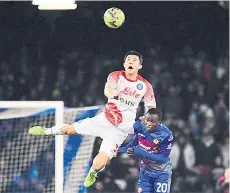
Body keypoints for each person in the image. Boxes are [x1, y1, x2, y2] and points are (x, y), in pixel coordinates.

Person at [28, 51, 156, 187]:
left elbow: (151, 106)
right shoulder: (115, 76)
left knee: (98, 163)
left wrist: (148, 116)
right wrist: (112, 94)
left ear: (140, 65)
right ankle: (46, 131)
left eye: (134, 60)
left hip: (119, 131)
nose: (131, 61)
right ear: (124, 64)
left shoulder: (145, 86)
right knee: (69, 131)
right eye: (128, 59)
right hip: (104, 120)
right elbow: (108, 89)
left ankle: (93, 172)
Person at [119, 108, 173, 193]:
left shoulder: (166, 134)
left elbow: (163, 158)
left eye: (153, 121)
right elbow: (132, 144)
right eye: (147, 120)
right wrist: (116, 150)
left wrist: (142, 153)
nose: (148, 124)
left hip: (161, 173)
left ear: (159, 122)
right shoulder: (140, 126)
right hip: (145, 173)